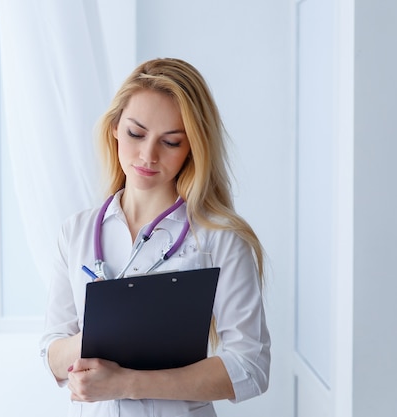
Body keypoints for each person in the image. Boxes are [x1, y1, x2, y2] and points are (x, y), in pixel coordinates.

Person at [40, 57, 270, 416]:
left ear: (192, 147)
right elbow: (52, 356)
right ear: (114, 128)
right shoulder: (77, 232)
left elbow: (251, 367)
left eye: (171, 142)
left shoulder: (220, 239)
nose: (148, 155)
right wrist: (103, 333)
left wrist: (126, 382)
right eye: (136, 133)